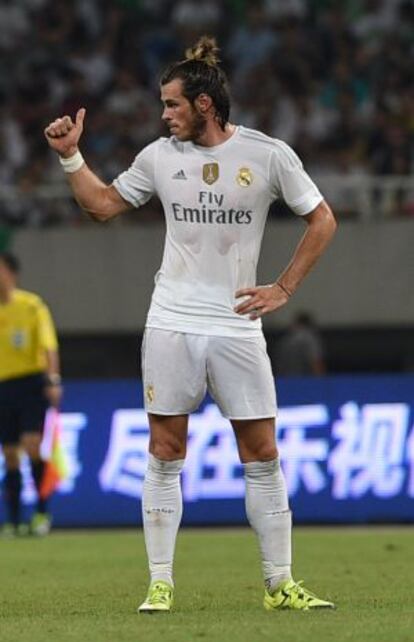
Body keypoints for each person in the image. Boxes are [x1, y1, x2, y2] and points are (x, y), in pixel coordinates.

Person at [44, 36, 337, 611]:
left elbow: (322, 219)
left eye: (172, 104)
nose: (163, 115)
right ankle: (160, 583)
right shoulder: (159, 157)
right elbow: (102, 206)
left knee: (263, 454)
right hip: (171, 320)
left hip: (236, 325)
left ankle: (281, 585)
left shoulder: (266, 154)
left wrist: (283, 288)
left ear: (204, 104)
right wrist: (70, 158)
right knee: (164, 448)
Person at [0, 251, 62, 537]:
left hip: (30, 384)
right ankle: (13, 520)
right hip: (3, 387)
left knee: (32, 445)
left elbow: (49, 346)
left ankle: (41, 512)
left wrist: (53, 380)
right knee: (10, 454)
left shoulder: (32, 306)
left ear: (12, 274)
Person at [277, 311, 326, 376]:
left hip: (283, 379)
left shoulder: (286, 338)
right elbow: (316, 361)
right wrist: (321, 381)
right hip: (304, 380)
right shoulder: (309, 338)